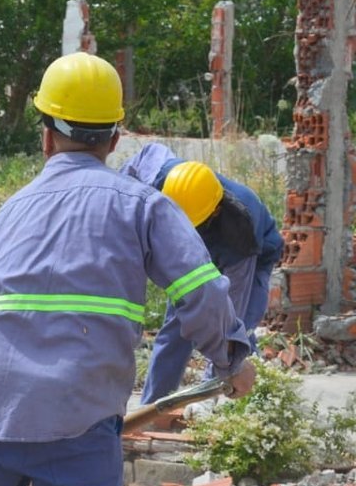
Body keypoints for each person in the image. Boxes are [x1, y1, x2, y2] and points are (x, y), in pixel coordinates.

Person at [0, 52, 256, 486]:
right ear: (114, 139)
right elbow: (201, 292)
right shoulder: (143, 207)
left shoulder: (9, 210)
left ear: (45, 136)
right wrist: (232, 359)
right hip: (78, 419)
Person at [120, 143, 283, 403]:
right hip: (198, 246)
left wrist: (226, 362)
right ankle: (153, 406)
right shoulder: (170, 179)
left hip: (253, 255)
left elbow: (228, 316)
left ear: (214, 211)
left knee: (239, 333)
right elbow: (148, 154)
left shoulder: (240, 231)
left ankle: (219, 406)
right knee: (177, 326)